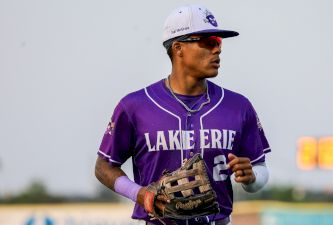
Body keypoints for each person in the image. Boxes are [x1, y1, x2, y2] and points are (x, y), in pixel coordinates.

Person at [95, 4, 271, 225]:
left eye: (218, 42)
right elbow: (104, 167)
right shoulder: (135, 106)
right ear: (178, 48)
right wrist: (140, 194)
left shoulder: (238, 106)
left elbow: (260, 169)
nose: (217, 50)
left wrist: (252, 178)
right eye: (209, 42)